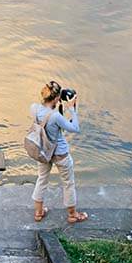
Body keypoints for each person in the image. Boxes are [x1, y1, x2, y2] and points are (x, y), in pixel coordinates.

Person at [30, 81, 88, 224]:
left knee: (42, 179)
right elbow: (75, 128)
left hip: (43, 151)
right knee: (68, 183)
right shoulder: (55, 116)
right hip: (60, 154)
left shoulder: (34, 108)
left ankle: (38, 212)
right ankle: (72, 215)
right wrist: (72, 109)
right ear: (56, 98)